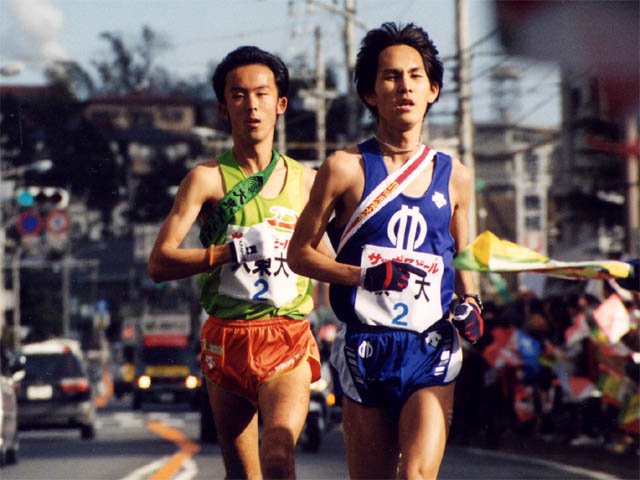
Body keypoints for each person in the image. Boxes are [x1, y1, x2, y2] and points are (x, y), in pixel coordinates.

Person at [288, 22, 483, 479]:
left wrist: (472, 301)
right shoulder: (344, 168)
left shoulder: (456, 175)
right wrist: (363, 276)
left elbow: (463, 253)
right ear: (370, 93)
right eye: (391, 76)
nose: (405, 87)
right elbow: (299, 255)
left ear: (433, 90)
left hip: (431, 344)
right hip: (365, 347)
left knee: (416, 474)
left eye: (416, 76)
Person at [148, 46, 324, 479]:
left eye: (262, 94)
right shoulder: (205, 179)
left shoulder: (309, 182)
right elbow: (160, 262)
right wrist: (229, 252)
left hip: (286, 336)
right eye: (239, 95)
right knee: (242, 474)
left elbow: (336, 254)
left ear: (281, 104)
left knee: (278, 454)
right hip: (226, 338)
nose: (252, 105)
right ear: (223, 108)